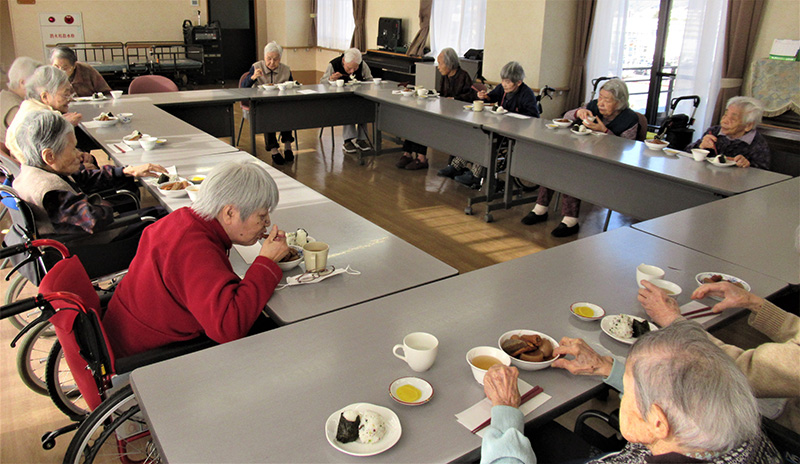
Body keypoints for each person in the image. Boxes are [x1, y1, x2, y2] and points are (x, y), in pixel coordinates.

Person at [481, 322, 781, 464]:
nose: (624, 390)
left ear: (658, 423)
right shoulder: (741, 429)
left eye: (629, 385)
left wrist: (506, 413)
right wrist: (605, 367)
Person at [102, 161, 289, 358]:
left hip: (124, 332)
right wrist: (266, 262)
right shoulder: (194, 248)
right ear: (229, 213)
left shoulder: (183, 219)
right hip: (149, 354)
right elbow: (229, 328)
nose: (267, 222)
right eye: (261, 215)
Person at [638, 279, 800, 434]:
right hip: (789, 402)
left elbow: (736, 371)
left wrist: (672, 320)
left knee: (673, 389)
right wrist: (752, 302)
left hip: (786, 433)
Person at [12, 110, 166, 242]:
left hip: (95, 237)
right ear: (49, 156)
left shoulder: (33, 172)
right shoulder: (50, 192)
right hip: (99, 246)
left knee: (159, 211)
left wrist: (125, 171)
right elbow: (93, 219)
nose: (79, 154)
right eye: (72, 149)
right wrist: (103, 204)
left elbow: (83, 178)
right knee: (168, 219)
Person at [521, 78, 642, 237]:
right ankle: (540, 208)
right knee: (554, 161)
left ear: (619, 102)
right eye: (600, 98)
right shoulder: (592, 107)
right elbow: (566, 117)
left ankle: (570, 220)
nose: (601, 103)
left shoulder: (630, 119)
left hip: (608, 165)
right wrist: (578, 112)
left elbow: (627, 148)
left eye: (607, 100)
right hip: (584, 154)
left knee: (573, 168)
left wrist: (605, 132)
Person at [441, 61, 540, 186]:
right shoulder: (502, 88)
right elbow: (491, 97)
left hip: (515, 132)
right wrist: (484, 96)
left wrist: (515, 119)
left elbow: (534, 118)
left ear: (519, 82)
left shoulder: (527, 94)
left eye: (508, 82)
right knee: (474, 134)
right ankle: (456, 166)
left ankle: (476, 175)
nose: (504, 84)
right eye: (503, 80)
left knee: (486, 140)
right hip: (500, 127)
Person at [396, 47, 476, 171]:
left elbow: (470, 97)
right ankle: (408, 152)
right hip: (444, 112)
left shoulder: (463, 76)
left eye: (440, 63)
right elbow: (442, 95)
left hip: (457, 117)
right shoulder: (445, 76)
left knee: (424, 123)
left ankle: (422, 158)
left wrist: (453, 99)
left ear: (449, 64)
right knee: (416, 118)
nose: (438, 67)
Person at [5, 65, 85, 163]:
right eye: (65, 94)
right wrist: (63, 124)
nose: (70, 99)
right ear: (45, 96)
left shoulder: (28, 105)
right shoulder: (43, 117)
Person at [242, 41, 296, 166]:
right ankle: (274, 150)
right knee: (267, 116)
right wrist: (253, 77)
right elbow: (244, 87)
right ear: (264, 57)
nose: (272, 63)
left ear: (280, 59)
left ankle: (288, 146)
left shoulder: (286, 70)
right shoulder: (256, 66)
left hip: (281, 103)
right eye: (269, 59)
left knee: (288, 113)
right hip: (262, 105)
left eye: (275, 59)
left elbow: (293, 87)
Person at [686, 96, 770, 169]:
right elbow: (687, 153)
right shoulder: (714, 131)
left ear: (748, 125)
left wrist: (747, 165)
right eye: (725, 115)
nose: (724, 121)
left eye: (733, 119)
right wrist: (700, 146)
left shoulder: (757, 143)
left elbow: (762, 173)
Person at [320, 48, 373, 155]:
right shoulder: (334, 65)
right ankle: (348, 140)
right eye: (349, 68)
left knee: (364, 107)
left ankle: (361, 139)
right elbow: (322, 83)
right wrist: (331, 79)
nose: (352, 71)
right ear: (344, 61)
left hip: (358, 96)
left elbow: (370, 80)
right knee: (349, 107)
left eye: (355, 68)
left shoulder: (363, 65)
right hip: (338, 99)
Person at [1, 56, 42, 147]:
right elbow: (32, 140)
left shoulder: (3, 96)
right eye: (36, 82)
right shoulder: (15, 107)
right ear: (22, 83)